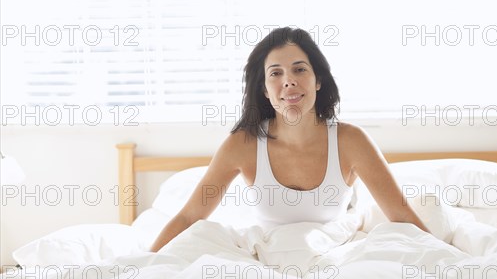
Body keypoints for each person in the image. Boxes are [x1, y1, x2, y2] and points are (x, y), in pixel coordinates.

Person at [150, 27, 429, 252]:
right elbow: (189, 217)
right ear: (265, 88)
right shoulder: (243, 144)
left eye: (299, 69)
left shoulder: (351, 140)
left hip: (336, 255)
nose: (288, 81)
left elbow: (403, 218)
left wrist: (447, 259)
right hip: (266, 258)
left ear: (318, 80)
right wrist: (147, 262)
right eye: (276, 73)